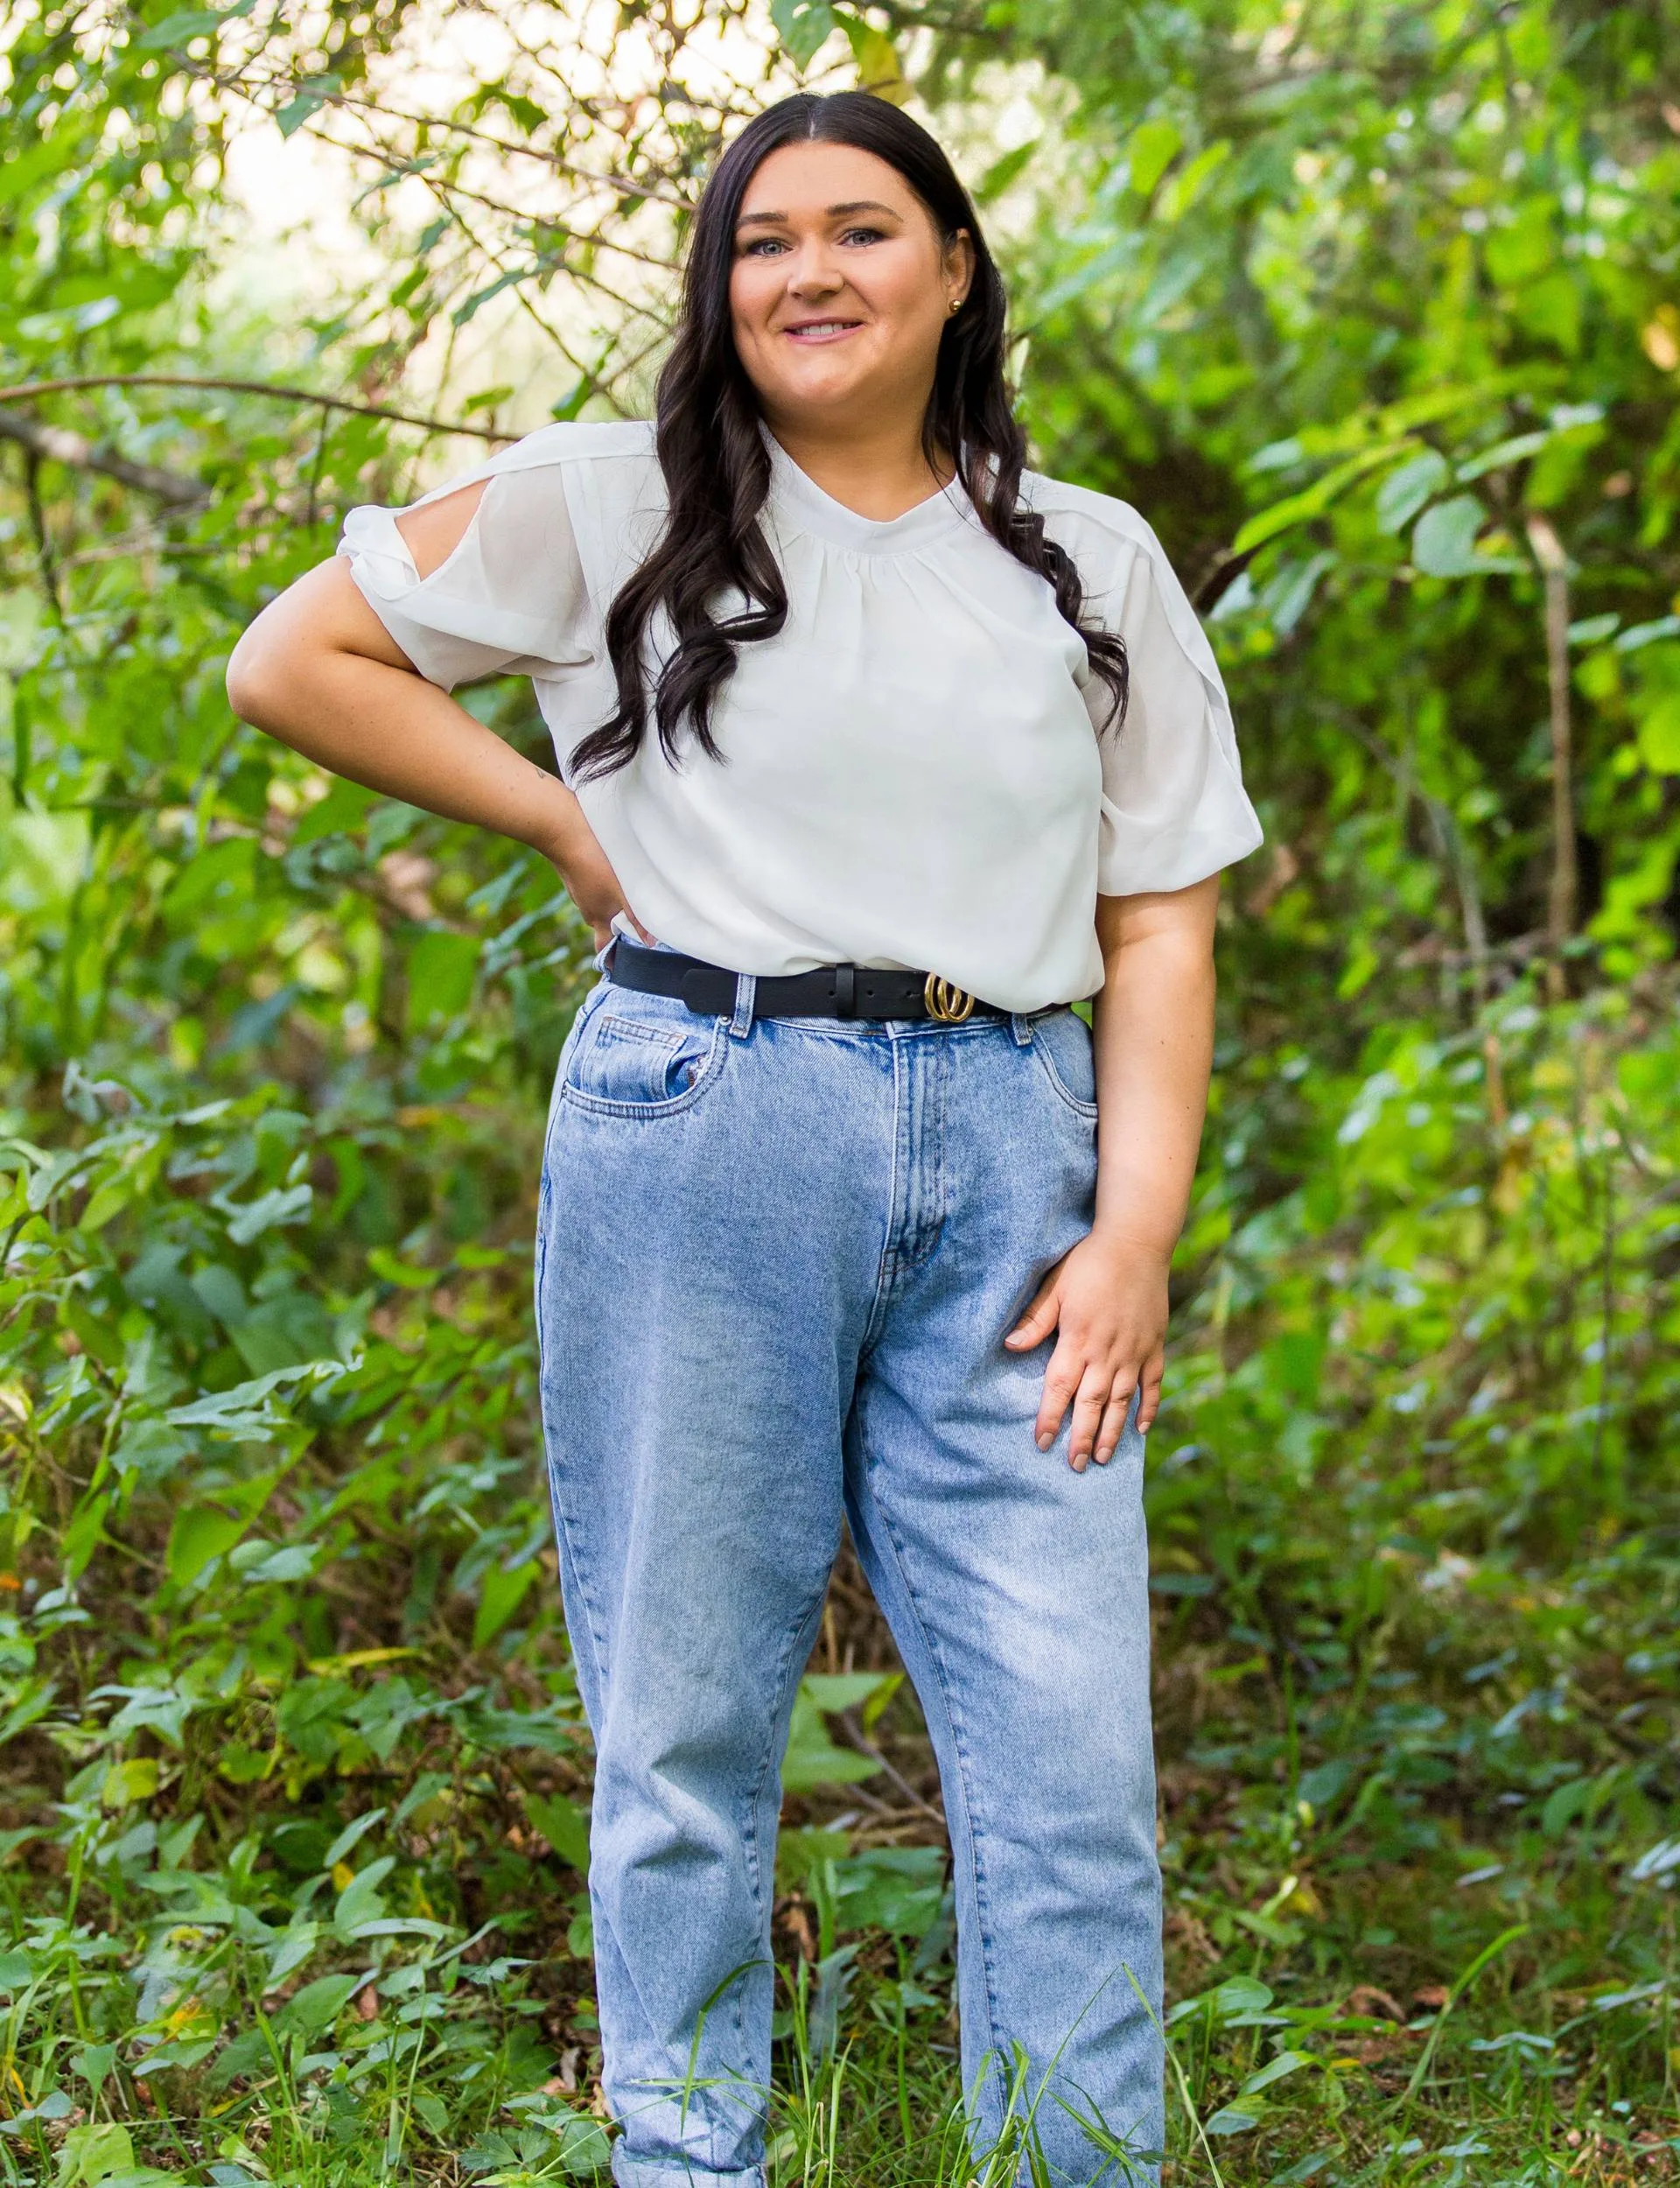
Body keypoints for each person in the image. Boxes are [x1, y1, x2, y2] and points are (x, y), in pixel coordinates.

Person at [227, 87, 1262, 2188]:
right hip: (707, 1124)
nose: (810, 272)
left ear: (955, 268)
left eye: (863, 228)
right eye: (763, 238)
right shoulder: (610, 503)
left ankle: (1077, 2164)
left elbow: (1161, 921)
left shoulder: (1091, 564)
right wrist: (555, 811)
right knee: (692, 1720)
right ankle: (685, 2155)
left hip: (1015, 1154)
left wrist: (1134, 1221)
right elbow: (292, 656)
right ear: (720, 285)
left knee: (1069, 1756)